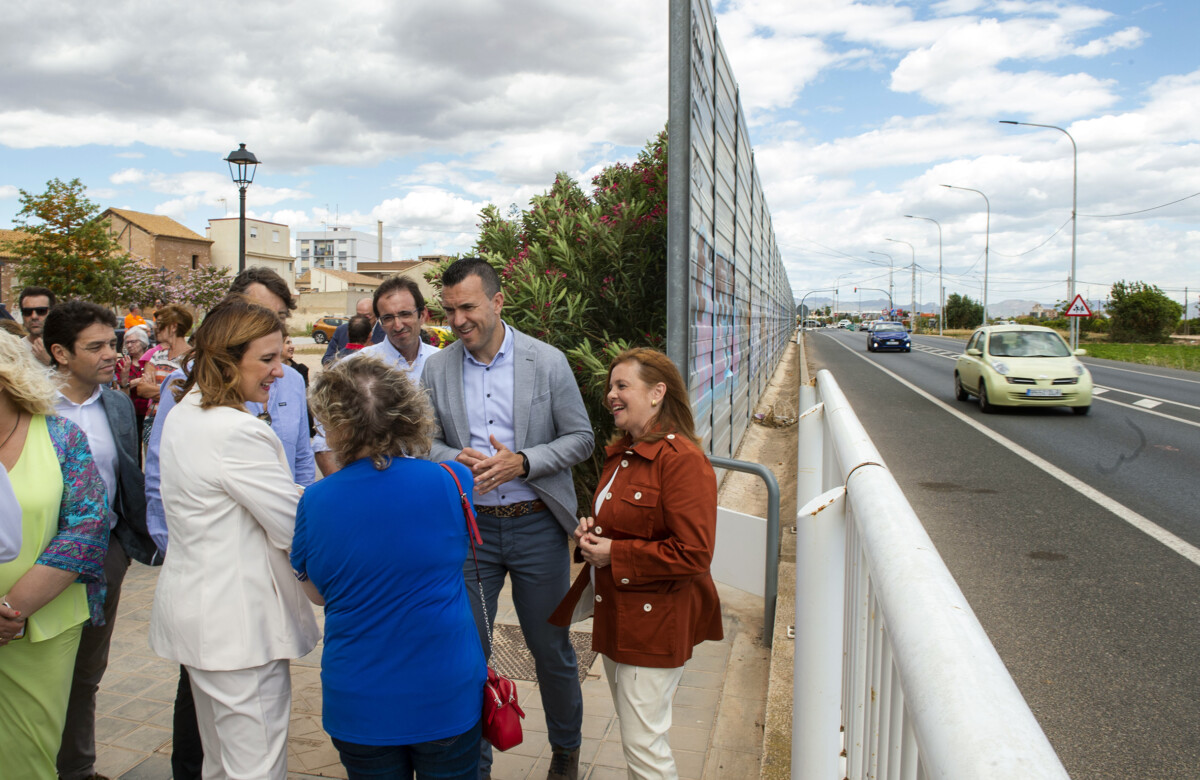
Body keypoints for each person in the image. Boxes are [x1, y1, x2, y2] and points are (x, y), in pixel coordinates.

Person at [420, 257, 593, 780]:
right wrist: (456, 459)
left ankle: (565, 751)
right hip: (472, 532)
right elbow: (421, 443)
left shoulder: (547, 361)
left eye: (468, 307)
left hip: (538, 525)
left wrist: (522, 461)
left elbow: (581, 438)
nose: (458, 320)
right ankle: (475, 762)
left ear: (497, 302)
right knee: (469, 653)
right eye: (450, 310)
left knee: (550, 650)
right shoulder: (437, 368)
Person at [144, 267, 316, 780]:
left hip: (202, 621)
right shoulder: (237, 432)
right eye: (267, 359)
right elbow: (293, 527)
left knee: (220, 765)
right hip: (239, 630)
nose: (280, 371)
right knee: (255, 768)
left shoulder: (185, 410)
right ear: (226, 359)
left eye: (280, 355)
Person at [294, 355, 486, 779]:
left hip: (361, 697)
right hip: (445, 687)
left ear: (336, 424)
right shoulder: (454, 480)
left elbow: (318, 592)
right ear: (409, 412)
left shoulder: (316, 501)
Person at [550, 348, 722, 779]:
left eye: (622, 385)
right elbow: (631, 524)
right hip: (621, 617)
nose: (611, 394)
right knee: (639, 743)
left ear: (657, 393)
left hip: (654, 624)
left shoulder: (681, 460)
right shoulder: (625, 453)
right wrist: (594, 533)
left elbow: (695, 553)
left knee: (645, 749)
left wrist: (614, 554)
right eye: (611, 386)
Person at [43, 301, 158, 780]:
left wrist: (126, 547)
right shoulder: (33, 405)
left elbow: (127, 473)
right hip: (41, 556)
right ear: (60, 353)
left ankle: (77, 768)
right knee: (42, 667)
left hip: (105, 553)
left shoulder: (115, 403)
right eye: (97, 346)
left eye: (112, 343)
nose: (112, 353)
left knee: (88, 669)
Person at [0, 330, 109, 779]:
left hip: (41, 629)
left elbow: (87, 526)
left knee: (27, 756)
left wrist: (11, 610)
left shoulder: (61, 435)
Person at [313, 276, 440, 477]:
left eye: (405, 314)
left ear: (422, 315)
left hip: (429, 486)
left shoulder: (442, 362)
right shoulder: (353, 368)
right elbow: (323, 443)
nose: (397, 325)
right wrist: (346, 492)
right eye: (387, 318)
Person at [133, 304, 192, 446]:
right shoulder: (157, 355)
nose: (155, 328)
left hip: (178, 428)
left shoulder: (192, 359)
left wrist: (155, 390)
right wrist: (171, 391)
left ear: (173, 327)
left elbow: (187, 395)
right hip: (152, 424)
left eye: (159, 324)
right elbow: (141, 389)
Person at [321, 296, 384, 366]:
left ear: (376, 315)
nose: (362, 320)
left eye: (367, 317)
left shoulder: (386, 334)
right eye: (359, 315)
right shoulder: (342, 330)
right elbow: (326, 359)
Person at [19, 285, 56, 366]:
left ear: (52, 312)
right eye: (27, 312)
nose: (34, 316)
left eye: (41, 311)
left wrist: (50, 363)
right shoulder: (14, 350)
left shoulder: (67, 346)